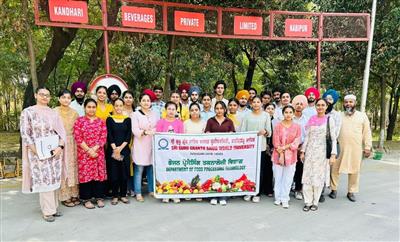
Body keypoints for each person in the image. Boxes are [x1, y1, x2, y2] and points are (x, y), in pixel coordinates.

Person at [20, 86, 67, 222]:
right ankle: (47, 211)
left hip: (54, 152)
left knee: (54, 179)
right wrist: (37, 151)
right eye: (41, 94)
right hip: (37, 153)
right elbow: (25, 134)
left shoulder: (53, 113)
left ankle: (54, 207)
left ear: (50, 98)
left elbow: (61, 132)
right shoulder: (28, 112)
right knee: (44, 180)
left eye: (47, 95)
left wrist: (60, 147)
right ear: (36, 95)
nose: (44, 97)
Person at [329, 94, 372, 202]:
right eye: (346, 102)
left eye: (350, 102)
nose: (348, 104)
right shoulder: (338, 115)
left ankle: (351, 191)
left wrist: (367, 147)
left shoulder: (362, 116)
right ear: (343, 103)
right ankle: (333, 189)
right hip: (340, 147)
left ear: (355, 103)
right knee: (334, 168)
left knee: (354, 170)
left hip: (356, 148)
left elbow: (367, 132)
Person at [300, 98, 337, 211]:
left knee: (318, 177)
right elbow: (307, 136)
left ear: (326, 107)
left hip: (322, 153)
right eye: (318, 105)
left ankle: (315, 202)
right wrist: (303, 151)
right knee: (307, 177)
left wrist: (333, 154)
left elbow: (333, 138)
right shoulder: (311, 119)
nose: (320, 107)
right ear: (315, 107)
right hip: (310, 152)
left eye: (322, 105)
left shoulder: (329, 120)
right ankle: (307, 201)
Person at [74, 99, 108, 209]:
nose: (91, 109)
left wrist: (95, 149)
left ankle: (99, 198)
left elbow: (103, 137)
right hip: (84, 154)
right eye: (89, 107)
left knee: (98, 175)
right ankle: (86, 199)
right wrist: (89, 150)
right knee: (86, 176)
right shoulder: (79, 121)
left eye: (93, 107)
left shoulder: (100, 121)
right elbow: (78, 137)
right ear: (85, 108)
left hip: (98, 153)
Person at [240, 96, 272, 203]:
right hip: (249, 148)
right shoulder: (246, 116)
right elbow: (243, 131)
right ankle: (248, 190)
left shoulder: (266, 115)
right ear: (251, 103)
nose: (256, 104)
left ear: (261, 103)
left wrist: (265, 132)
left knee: (260, 170)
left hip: (261, 147)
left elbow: (269, 132)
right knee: (249, 170)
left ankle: (257, 192)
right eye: (254, 102)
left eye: (258, 102)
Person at [205, 101, 235, 206]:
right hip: (213, 152)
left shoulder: (229, 121)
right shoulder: (210, 121)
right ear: (214, 110)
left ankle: (223, 196)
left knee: (224, 173)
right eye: (217, 108)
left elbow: (234, 137)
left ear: (225, 110)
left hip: (226, 152)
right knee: (213, 173)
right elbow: (206, 134)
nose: (219, 110)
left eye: (221, 108)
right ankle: (213, 195)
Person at [131, 92, 159, 202]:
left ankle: (151, 190)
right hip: (140, 145)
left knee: (150, 169)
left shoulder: (155, 114)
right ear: (140, 102)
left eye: (148, 100)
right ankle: (138, 192)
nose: (146, 102)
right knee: (139, 169)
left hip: (151, 144)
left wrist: (153, 132)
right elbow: (135, 130)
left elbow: (158, 127)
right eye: (144, 100)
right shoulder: (135, 114)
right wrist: (146, 132)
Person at [54, 89, 80, 208]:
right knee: (63, 167)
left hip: (73, 142)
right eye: (63, 97)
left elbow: (78, 128)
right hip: (60, 142)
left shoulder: (75, 113)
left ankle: (74, 193)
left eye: (68, 98)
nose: (66, 100)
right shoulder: (54, 112)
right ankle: (65, 196)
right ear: (59, 99)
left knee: (73, 167)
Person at [272, 105, 301, 209]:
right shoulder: (278, 126)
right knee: (278, 177)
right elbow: (275, 142)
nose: (288, 114)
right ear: (283, 113)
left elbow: (296, 142)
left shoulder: (297, 127)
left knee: (288, 178)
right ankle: (278, 197)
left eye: (290, 112)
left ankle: (285, 198)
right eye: (286, 112)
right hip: (277, 155)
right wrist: (281, 153)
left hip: (291, 157)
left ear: (293, 114)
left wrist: (285, 147)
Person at [156, 101, 184, 203]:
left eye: (173, 109)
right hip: (163, 153)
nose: (171, 111)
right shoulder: (160, 122)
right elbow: (158, 137)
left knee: (174, 172)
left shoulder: (179, 123)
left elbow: (181, 138)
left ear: (176, 110)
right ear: (165, 110)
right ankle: (165, 192)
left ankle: (175, 193)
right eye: (169, 109)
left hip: (175, 153)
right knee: (164, 172)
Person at [106, 99, 132, 205]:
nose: (118, 108)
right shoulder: (110, 119)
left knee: (124, 173)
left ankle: (123, 194)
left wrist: (120, 148)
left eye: (120, 105)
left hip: (124, 150)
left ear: (123, 107)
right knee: (114, 173)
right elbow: (109, 134)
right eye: (116, 105)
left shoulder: (127, 119)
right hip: (112, 150)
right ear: (113, 106)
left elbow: (128, 135)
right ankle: (115, 195)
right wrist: (115, 148)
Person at [291, 95, 309, 201]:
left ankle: (298, 189)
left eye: (301, 104)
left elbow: (308, 134)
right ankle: (288, 188)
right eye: (297, 104)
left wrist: (302, 147)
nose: (299, 106)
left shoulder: (307, 119)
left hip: (302, 146)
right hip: (290, 147)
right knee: (289, 168)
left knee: (299, 169)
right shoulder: (289, 117)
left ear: (304, 106)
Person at [122, 90, 135, 197]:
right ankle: (125, 188)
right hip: (124, 141)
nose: (128, 99)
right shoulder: (119, 111)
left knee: (134, 164)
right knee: (125, 164)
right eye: (126, 97)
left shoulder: (137, 111)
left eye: (130, 97)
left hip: (136, 140)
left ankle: (133, 187)